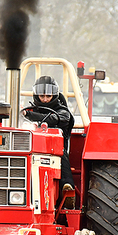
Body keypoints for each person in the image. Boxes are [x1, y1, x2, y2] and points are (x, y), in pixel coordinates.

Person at [22, 75, 75, 209]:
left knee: (60, 153)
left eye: (48, 96)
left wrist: (30, 116)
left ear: (54, 95)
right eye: (42, 96)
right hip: (31, 149)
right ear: (36, 95)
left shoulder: (63, 112)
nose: (45, 100)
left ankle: (67, 189)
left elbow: (54, 119)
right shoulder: (29, 110)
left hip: (56, 151)